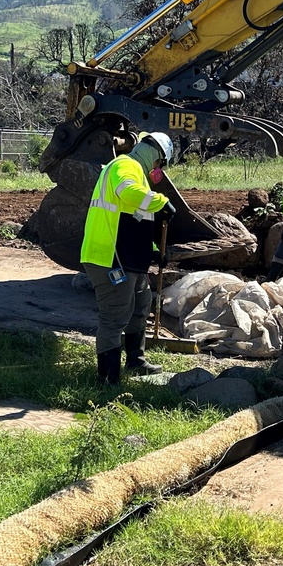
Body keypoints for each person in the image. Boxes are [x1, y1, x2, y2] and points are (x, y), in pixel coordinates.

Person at [80, 128, 175, 384]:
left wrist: (155, 253)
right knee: (115, 316)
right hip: (108, 256)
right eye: (160, 163)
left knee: (141, 305)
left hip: (127, 257)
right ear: (154, 153)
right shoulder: (125, 166)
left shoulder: (139, 175)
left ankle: (136, 360)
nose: (159, 169)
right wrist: (161, 201)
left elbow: (135, 223)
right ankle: (108, 379)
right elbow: (127, 193)